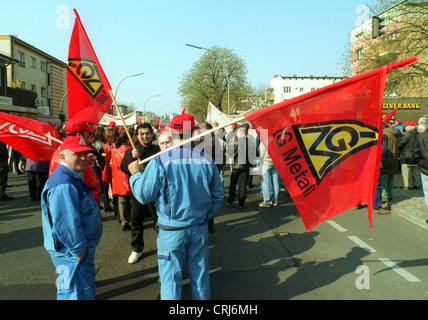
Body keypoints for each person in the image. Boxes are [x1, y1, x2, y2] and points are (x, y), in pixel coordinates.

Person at [128, 113, 223, 300]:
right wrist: (203, 217)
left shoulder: (160, 161)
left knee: (171, 280)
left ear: (171, 132)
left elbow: (143, 195)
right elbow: (217, 197)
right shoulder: (206, 160)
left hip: (172, 231)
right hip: (198, 228)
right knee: (200, 278)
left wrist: (135, 175)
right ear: (194, 131)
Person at [41, 135, 103, 300]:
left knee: (68, 290)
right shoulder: (64, 184)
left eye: (85, 153)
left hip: (71, 251)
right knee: (78, 292)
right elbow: (66, 225)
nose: (83, 158)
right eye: (77, 154)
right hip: (72, 253)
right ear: (63, 157)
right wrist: (79, 251)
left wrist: (82, 162)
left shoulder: (70, 174)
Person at [120, 123, 160, 264]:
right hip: (137, 192)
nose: (145, 136)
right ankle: (137, 249)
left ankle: (163, 247)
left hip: (155, 192)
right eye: (141, 134)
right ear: (137, 136)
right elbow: (123, 167)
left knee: (158, 222)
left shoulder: (158, 149)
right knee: (136, 221)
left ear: (151, 134)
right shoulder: (131, 150)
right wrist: (132, 158)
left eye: (147, 133)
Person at [49, 118, 102, 205]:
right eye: (87, 133)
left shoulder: (64, 154)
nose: (90, 136)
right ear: (79, 135)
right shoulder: (69, 158)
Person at [225, 125, 257, 209]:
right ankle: (241, 203)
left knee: (233, 184)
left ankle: (230, 201)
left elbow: (228, 153)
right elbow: (256, 154)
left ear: (239, 133)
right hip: (246, 166)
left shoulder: (235, 142)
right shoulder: (251, 143)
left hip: (236, 166)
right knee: (243, 185)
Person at [111, 131, 132, 231]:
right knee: (131, 201)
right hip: (128, 176)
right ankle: (130, 219)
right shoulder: (130, 150)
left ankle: (123, 220)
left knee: (121, 200)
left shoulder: (114, 150)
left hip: (118, 178)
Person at [381, 121, 401, 208]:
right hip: (394, 159)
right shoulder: (394, 133)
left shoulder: (384, 134)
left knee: (384, 179)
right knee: (390, 178)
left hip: (387, 159)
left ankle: (385, 196)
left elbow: (383, 149)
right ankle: (390, 194)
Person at [398, 121, 421, 190]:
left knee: (406, 172)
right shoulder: (418, 134)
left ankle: (408, 185)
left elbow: (400, 144)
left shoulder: (407, 135)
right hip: (416, 155)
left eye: (406, 126)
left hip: (406, 156)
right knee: (415, 171)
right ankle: (417, 185)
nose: (405, 127)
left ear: (410, 127)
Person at [258, 138, 280, 207]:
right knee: (276, 183)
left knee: (265, 183)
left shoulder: (264, 142)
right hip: (275, 163)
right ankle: (275, 201)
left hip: (266, 163)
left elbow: (261, 154)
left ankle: (266, 201)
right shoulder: (277, 141)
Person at [412, 123, 428, 210]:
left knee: (427, 192)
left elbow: (415, 152)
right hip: (424, 165)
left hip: (425, 167)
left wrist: (418, 162)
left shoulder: (420, 137)